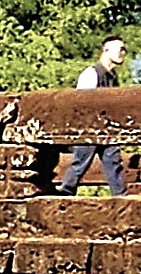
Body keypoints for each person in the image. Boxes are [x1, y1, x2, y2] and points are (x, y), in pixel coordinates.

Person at [53, 39, 130, 195]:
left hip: (107, 129)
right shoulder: (91, 73)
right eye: (120, 49)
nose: (123, 53)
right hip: (88, 128)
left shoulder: (113, 77)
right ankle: (66, 192)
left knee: (113, 161)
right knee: (80, 162)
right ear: (106, 50)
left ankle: (120, 195)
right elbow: (81, 103)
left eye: (124, 50)